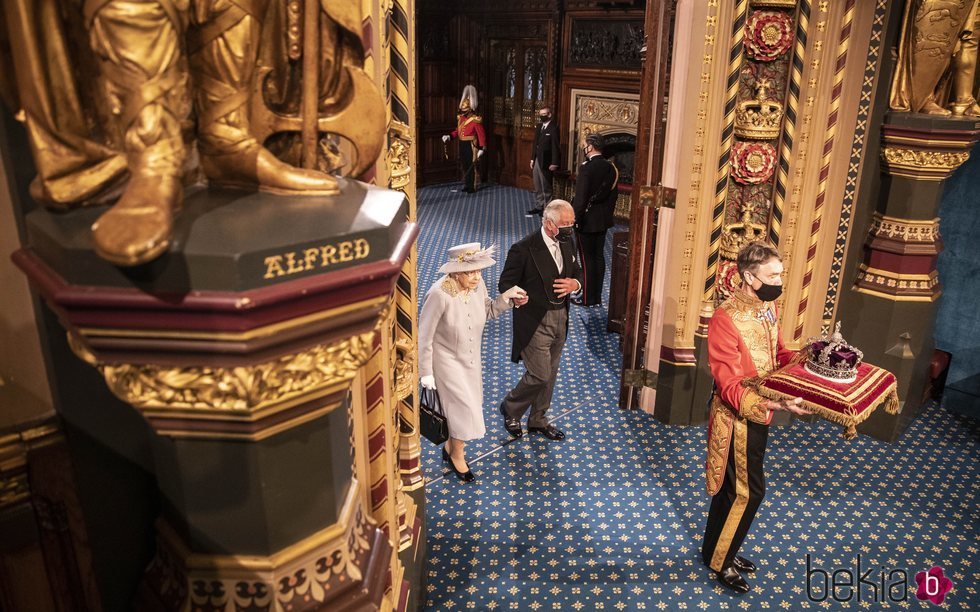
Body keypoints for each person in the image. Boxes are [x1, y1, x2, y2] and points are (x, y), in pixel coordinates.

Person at [701, 241, 808, 594]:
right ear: (749, 276)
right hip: (737, 419)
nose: (780, 281)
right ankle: (722, 561)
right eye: (773, 275)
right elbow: (728, 383)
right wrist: (776, 406)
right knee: (746, 493)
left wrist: (809, 360)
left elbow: (776, 353)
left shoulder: (767, 306)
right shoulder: (724, 318)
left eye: (781, 273)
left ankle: (717, 551)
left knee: (736, 492)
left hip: (760, 413)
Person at [418, 243, 528, 482]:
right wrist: (425, 372)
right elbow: (424, 335)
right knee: (463, 410)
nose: (477, 277)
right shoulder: (438, 294)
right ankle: (457, 454)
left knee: (467, 407)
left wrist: (507, 300)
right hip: (445, 361)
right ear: (456, 272)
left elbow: (487, 311)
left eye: (479, 271)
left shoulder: (477, 286)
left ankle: (450, 448)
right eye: (471, 272)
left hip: (471, 359)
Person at [497, 200, 583, 441]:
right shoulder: (523, 248)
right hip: (535, 320)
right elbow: (505, 283)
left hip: (561, 318)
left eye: (572, 223)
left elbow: (577, 273)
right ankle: (511, 407)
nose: (570, 228)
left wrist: (575, 284)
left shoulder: (568, 241)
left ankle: (538, 419)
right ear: (548, 223)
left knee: (551, 372)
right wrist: (516, 296)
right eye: (565, 224)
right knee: (539, 374)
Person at [571, 133, 619, 307]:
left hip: (586, 221)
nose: (583, 148)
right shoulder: (611, 168)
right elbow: (613, 196)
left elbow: (581, 197)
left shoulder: (587, 168)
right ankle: (596, 297)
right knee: (598, 258)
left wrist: (575, 218)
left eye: (584, 145)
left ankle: (587, 298)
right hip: (603, 220)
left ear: (590, 147)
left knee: (586, 260)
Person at [442, 85, 486, 193]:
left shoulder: (475, 120)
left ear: (470, 109)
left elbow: (481, 135)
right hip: (462, 144)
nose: (463, 112)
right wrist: (449, 136)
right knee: (465, 164)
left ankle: (472, 186)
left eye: (465, 110)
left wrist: (482, 148)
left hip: (471, 145)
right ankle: (467, 184)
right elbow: (458, 131)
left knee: (471, 166)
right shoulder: (461, 119)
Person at [527, 106, 560, 216]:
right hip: (537, 160)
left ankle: (547, 209)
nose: (542, 116)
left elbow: (555, 147)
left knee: (546, 186)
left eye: (544, 114)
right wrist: (532, 158)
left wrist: (554, 163)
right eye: (540, 114)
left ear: (549, 114)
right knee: (537, 185)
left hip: (546, 161)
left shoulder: (554, 128)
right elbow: (535, 144)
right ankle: (539, 206)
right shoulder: (539, 126)